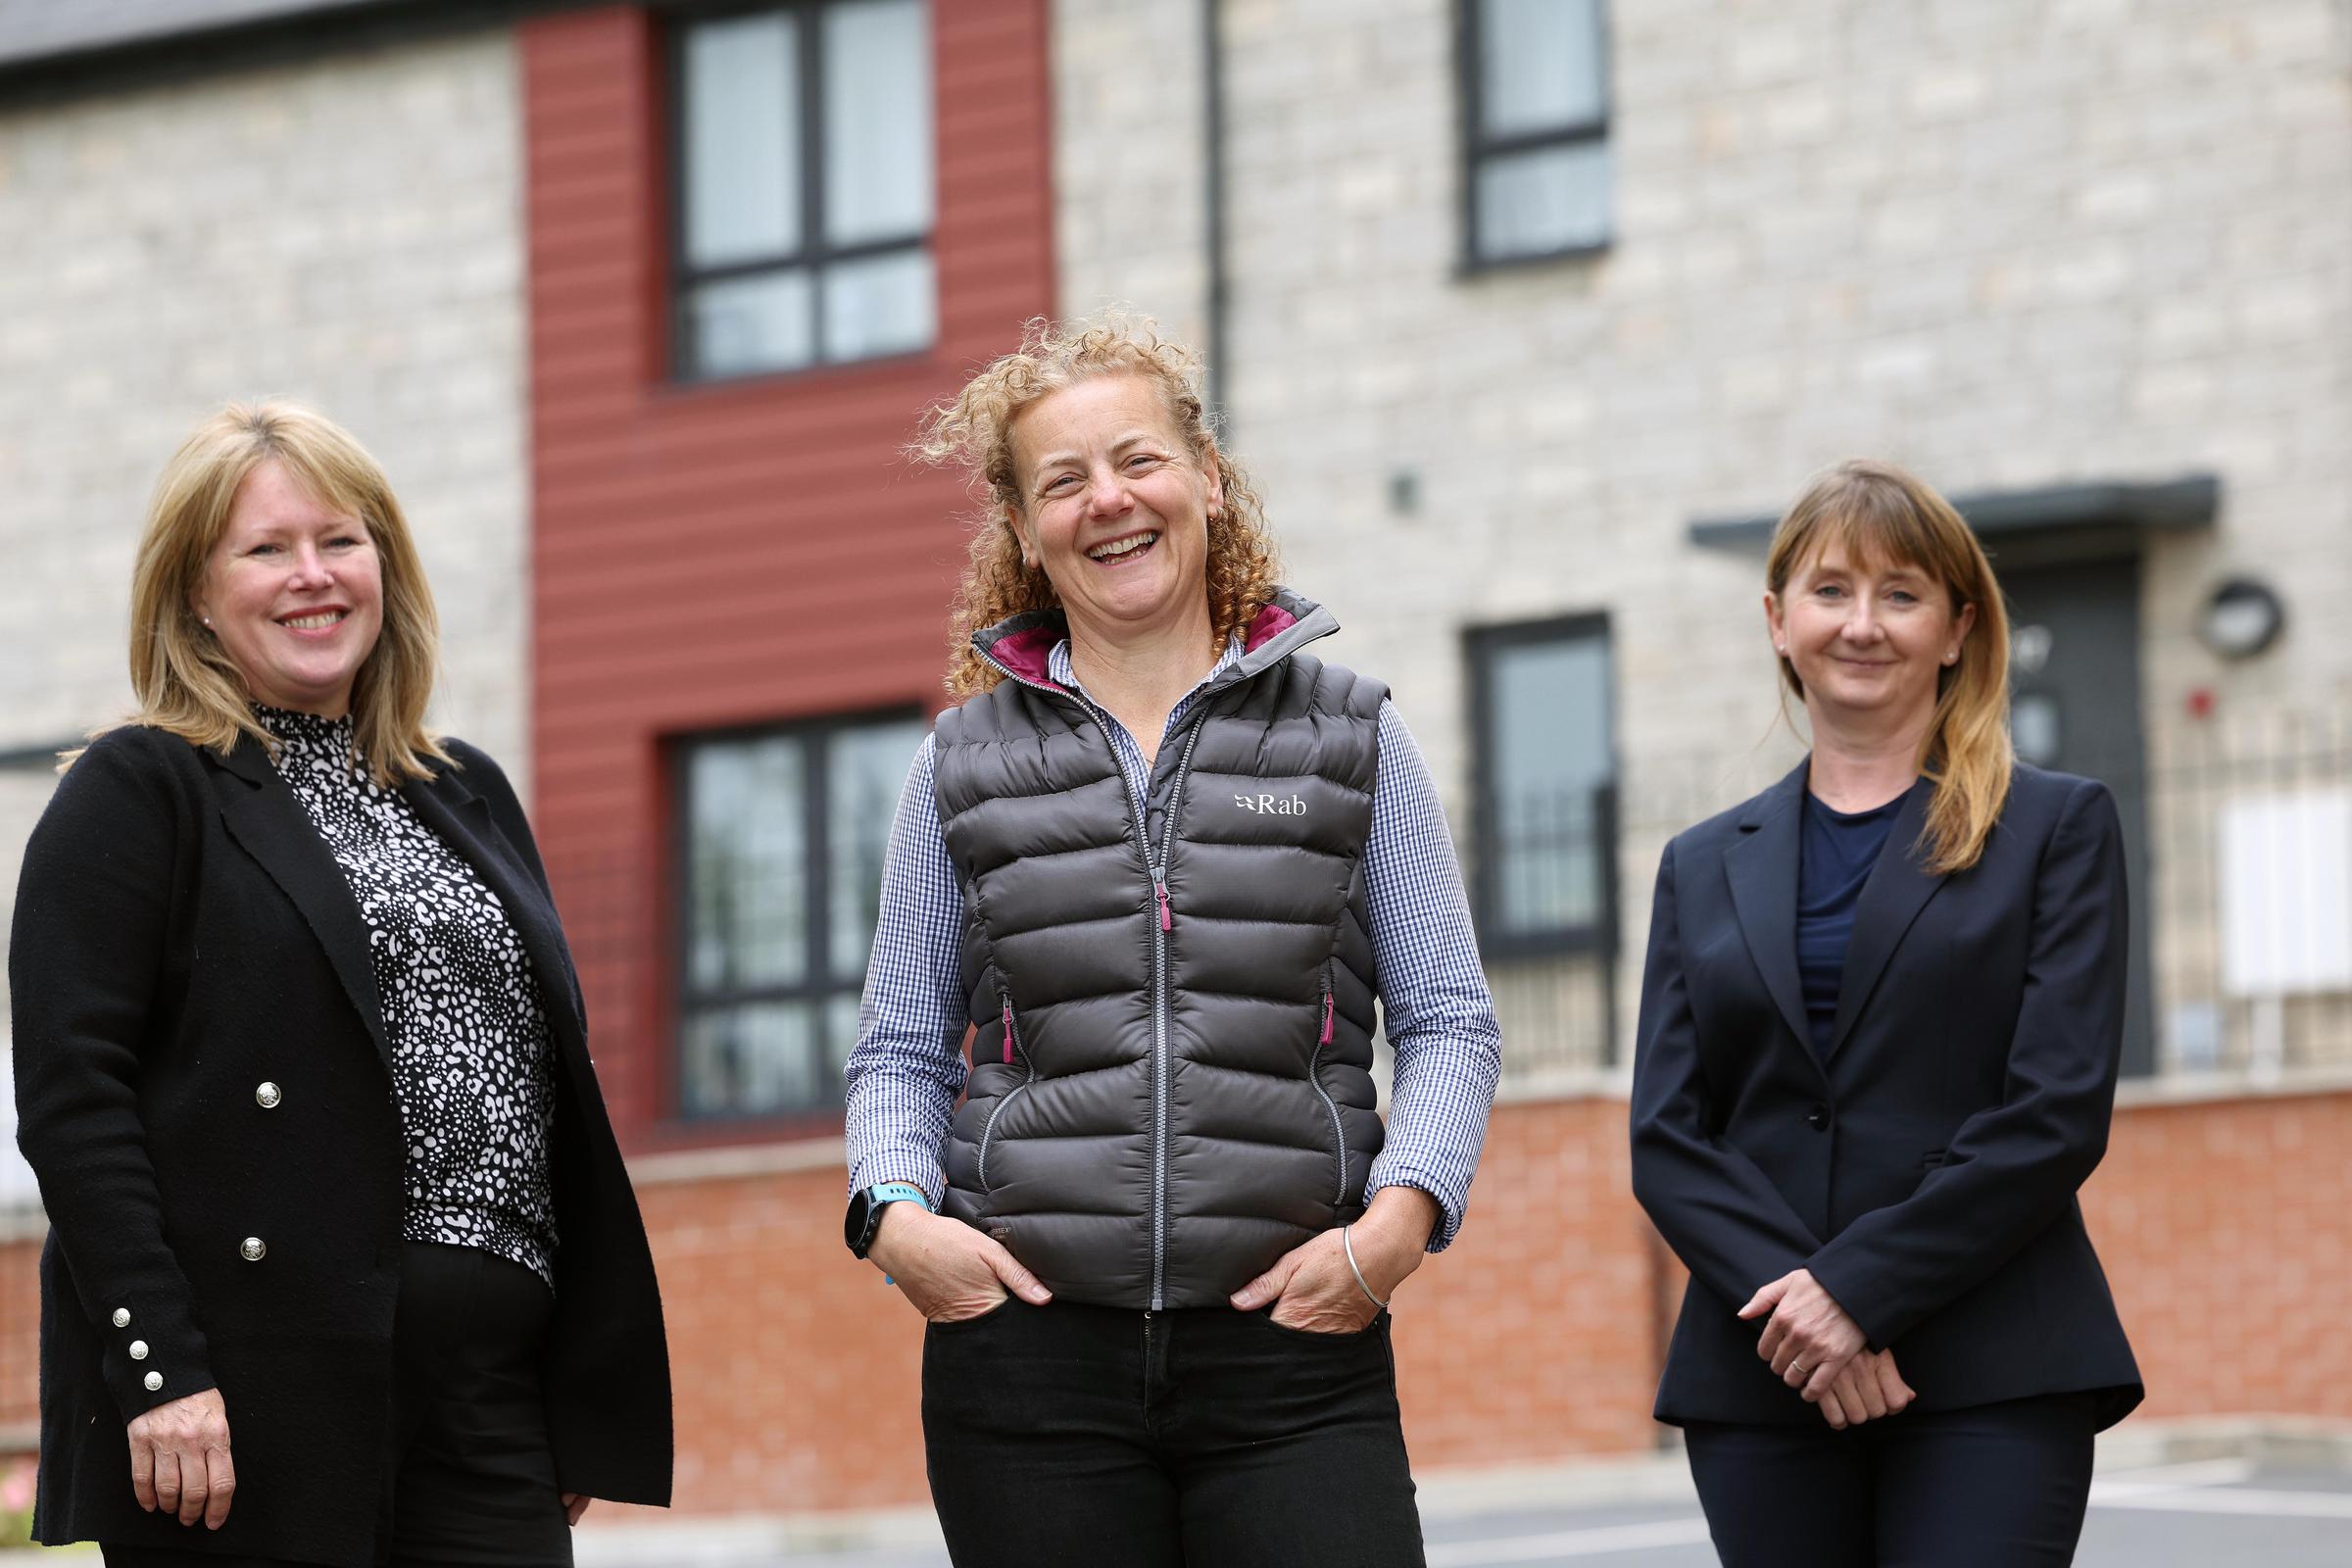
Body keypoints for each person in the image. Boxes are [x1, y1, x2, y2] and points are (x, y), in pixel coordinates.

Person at [842, 318, 1502, 1567]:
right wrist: (894, 1216)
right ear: (1025, 529)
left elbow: (1449, 1019)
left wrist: (1401, 1223)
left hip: (1296, 1351)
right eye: (1063, 481)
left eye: (1137, 459)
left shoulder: (1352, 737)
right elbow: (900, 1042)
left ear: (1205, 475)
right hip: (1028, 1370)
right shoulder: (961, 763)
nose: (1110, 502)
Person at [11, 403, 672, 1567]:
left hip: (492, 1395)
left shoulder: (465, 787)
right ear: (194, 595)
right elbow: (73, 1100)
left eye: (341, 541)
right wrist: (160, 1370)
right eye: (266, 550)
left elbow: (546, 1093)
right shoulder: (143, 787)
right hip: (248, 1396)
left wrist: (573, 1384)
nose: (312, 577)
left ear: (388, 568)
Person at [1628, 459, 2143, 1566]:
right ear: (1778, 620)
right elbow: (1670, 1137)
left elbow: (2054, 1111)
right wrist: (1807, 1312)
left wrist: (1858, 1289)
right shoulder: (1702, 862)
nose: (1863, 624)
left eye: (1902, 595)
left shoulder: (2055, 827)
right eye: (1832, 591)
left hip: (1993, 1366)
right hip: (1766, 1375)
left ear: (1958, 628)